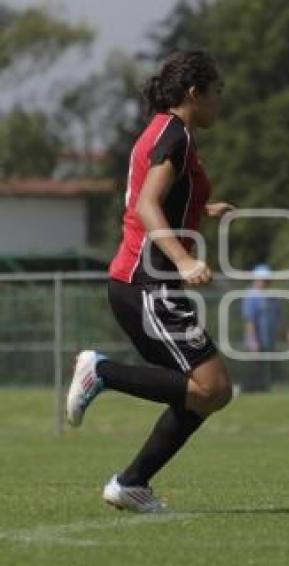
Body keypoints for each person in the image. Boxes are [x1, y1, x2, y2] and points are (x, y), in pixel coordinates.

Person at [65, 49, 235, 512]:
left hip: (142, 285)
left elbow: (164, 197)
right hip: (147, 285)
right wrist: (182, 259)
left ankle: (132, 483)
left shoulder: (168, 130)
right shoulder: (174, 136)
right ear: (194, 93)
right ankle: (100, 372)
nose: (222, 101)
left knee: (210, 390)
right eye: (217, 92)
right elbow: (146, 205)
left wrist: (203, 210)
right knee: (212, 388)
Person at [241, 263, 289, 391]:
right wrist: (253, 342)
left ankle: (265, 389)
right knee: (255, 370)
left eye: (267, 279)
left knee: (269, 371)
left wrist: (288, 334)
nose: (266, 282)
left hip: (270, 341)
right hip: (256, 342)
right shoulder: (251, 296)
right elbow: (249, 321)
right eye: (263, 279)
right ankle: (248, 390)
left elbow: (280, 317)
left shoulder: (273, 296)